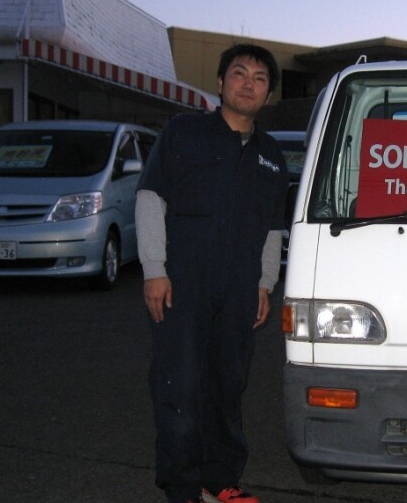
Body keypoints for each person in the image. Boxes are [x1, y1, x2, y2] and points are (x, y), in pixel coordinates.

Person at [135, 44, 288, 503]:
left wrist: (264, 284)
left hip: (239, 289)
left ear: (268, 94)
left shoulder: (271, 155)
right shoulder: (184, 133)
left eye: (259, 79)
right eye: (239, 74)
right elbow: (150, 199)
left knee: (227, 387)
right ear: (220, 83)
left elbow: (272, 228)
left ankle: (219, 481)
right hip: (182, 284)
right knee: (179, 387)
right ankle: (182, 487)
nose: (248, 84)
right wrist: (154, 269)